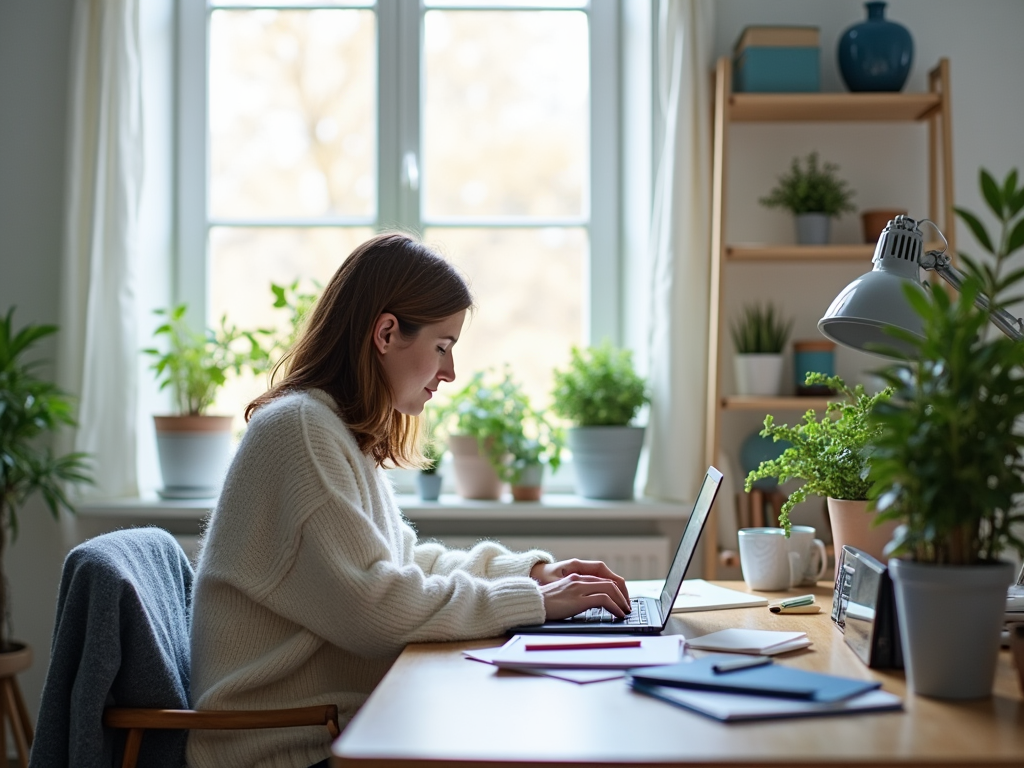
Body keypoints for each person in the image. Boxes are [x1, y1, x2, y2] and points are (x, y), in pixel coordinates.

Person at [187, 232, 631, 768]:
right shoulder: (300, 431)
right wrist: (532, 603)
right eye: (442, 347)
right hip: (285, 748)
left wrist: (532, 575)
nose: (450, 372)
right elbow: (377, 608)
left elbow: (405, 562)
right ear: (387, 332)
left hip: (330, 730)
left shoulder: (328, 428)